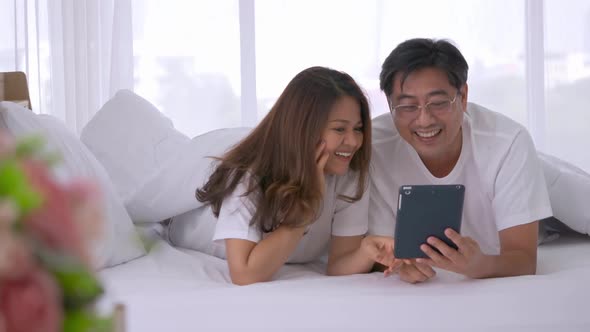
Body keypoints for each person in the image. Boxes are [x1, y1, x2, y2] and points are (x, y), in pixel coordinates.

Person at [190, 66, 399, 285]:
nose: (354, 141)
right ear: (304, 129)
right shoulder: (248, 175)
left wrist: (365, 252)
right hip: (190, 221)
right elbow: (244, 274)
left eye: (358, 129)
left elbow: (338, 266)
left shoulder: (350, 173)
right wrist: (307, 207)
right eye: (339, 129)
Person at [369, 38, 553, 283]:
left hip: (542, 190)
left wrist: (481, 265)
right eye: (407, 105)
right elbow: (375, 250)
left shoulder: (508, 142)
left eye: (438, 103)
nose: (424, 120)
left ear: (463, 96)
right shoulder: (373, 146)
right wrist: (399, 265)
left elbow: (525, 259)